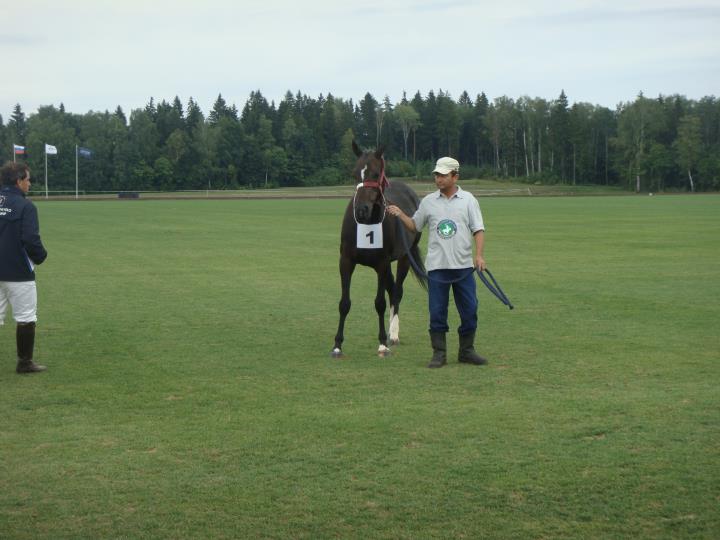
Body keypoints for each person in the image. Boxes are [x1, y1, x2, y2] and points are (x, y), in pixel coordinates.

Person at [387, 157, 488, 368]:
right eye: (436, 175)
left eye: (443, 175)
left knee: (470, 311)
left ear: (455, 176)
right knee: (437, 312)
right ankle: (439, 354)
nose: (438, 179)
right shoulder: (428, 202)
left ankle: (467, 351)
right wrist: (401, 214)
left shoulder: (469, 200)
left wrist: (479, 256)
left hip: (463, 268)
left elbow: (478, 229)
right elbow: (415, 226)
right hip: (437, 268)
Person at [0, 161, 48, 373]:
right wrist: (41, 256)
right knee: (26, 318)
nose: (30, 184)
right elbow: (30, 239)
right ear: (18, 181)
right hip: (18, 272)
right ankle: (25, 363)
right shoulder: (26, 206)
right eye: (28, 179)